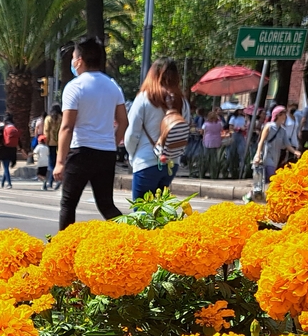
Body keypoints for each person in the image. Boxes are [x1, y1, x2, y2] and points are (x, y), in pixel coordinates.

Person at [54, 36, 128, 230]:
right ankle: (129, 237)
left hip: (81, 152)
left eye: (73, 57)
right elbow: (123, 121)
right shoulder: (113, 86)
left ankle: (64, 249)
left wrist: (60, 162)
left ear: (79, 60)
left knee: (68, 203)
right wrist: (111, 141)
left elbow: (67, 126)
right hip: (106, 153)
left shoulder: (74, 87)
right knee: (106, 204)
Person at [124, 57, 192, 201]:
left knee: (141, 213)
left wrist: (131, 155)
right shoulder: (183, 102)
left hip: (145, 161)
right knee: (159, 212)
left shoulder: (144, 98)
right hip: (171, 163)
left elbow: (131, 134)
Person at [253, 105, 300, 199]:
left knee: (263, 182)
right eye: (283, 114)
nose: (285, 116)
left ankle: (252, 196)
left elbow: (287, 145)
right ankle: (271, 198)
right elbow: (261, 141)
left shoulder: (283, 130)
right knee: (272, 178)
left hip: (275, 157)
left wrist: (295, 151)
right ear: (278, 115)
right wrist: (258, 154)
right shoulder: (269, 126)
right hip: (266, 156)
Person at [0, 113, 20, 188]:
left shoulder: (2, 128)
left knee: (5, 167)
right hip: (12, 150)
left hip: (4, 150)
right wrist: (21, 148)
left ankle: (9, 183)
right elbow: (19, 140)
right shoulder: (14, 128)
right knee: (6, 166)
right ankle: (2, 182)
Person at [43, 104, 62, 190]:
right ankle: (57, 180)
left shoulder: (48, 119)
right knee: (59, 161)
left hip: (51, 143)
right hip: (60, 143)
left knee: (51, 163)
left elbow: (46, 131)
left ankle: (50, 182)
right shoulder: (61, 118)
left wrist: (45, 142)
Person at [201, 110, 224, 179]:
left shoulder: (206, 124)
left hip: (207, 140)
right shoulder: (220, 123)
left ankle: (203, 172)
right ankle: (214, 173)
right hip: (217, 140)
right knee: (214, 157)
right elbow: (221, 130)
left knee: (206, 156)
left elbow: (202, 131)